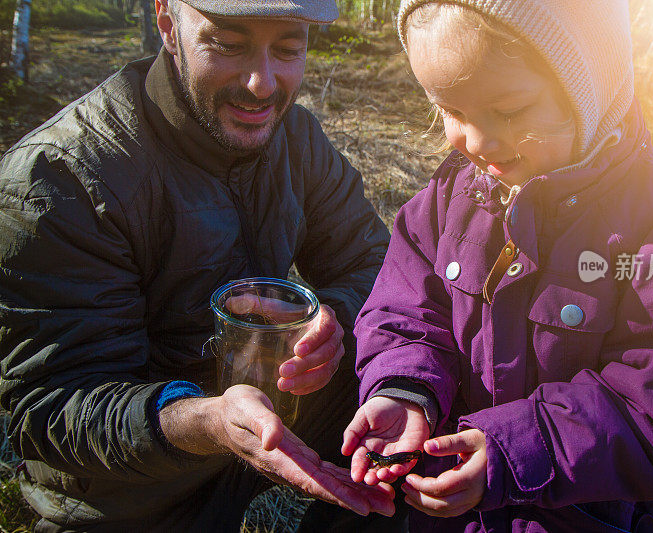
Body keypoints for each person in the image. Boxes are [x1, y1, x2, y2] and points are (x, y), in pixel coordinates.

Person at [342, 0, 653, 531]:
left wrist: (516, 451)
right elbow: (404, 311)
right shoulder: (452, 196)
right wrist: (405, 389)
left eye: (511, 111)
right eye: (452, 111)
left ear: (589, 85)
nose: (476, 141)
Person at [0, 0, 395, 530]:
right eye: (227, 45)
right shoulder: (60, 179)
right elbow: (51, 405)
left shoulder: (296, 137)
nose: (262, 84)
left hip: (276, 410)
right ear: (167, 23)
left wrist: (334, 322)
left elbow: (375, 260)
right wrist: (207, 421)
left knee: (416, 395)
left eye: (289, 49)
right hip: (128, 485)